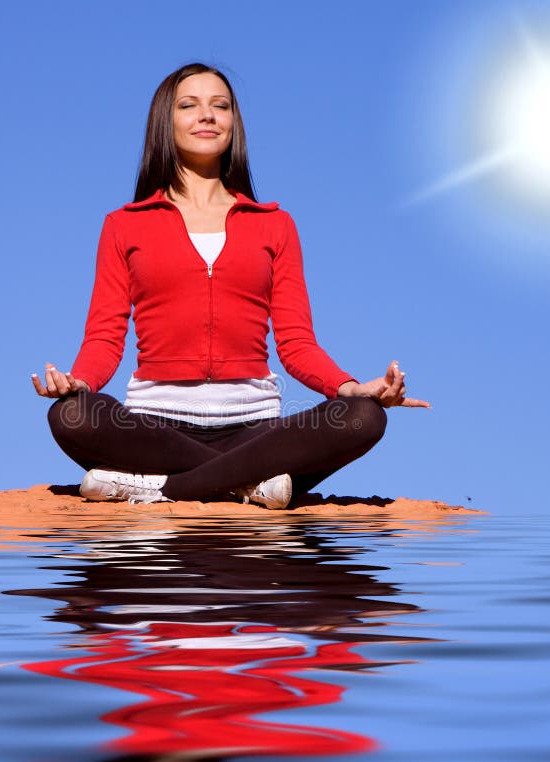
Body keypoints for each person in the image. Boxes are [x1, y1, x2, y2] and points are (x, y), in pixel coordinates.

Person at [32, 63, 430, 509]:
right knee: (71, 414)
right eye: (190, 105)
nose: (207, 116)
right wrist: (79, 382)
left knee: (363, 419)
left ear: (233, 124)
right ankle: (248, 484)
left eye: (220, 106)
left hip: (256, 432)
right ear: (166, 122)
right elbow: (105, 335)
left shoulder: (275, 225)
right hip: (151, 431)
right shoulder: (124, 225)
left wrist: (350, 387)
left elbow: (296, 343)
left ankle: (163, 489)